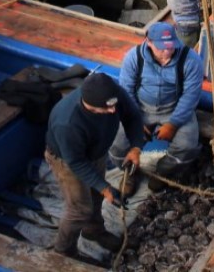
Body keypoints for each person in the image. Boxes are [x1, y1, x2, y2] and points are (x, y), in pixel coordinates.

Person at [45, 71, 145, 258]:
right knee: (79, 210)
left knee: (96, 197)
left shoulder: (112, 96)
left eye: (114, 106)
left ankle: (94, 231)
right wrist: (103, 186)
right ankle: (62, 252)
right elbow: (75, 162)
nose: (113, 112)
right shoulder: (67, 123)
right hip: (68, 161)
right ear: (89, 105)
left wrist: (136, 146)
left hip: (96, 153)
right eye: (106, 110)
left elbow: (132, 116)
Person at [109, 22, 204, 194]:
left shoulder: (191, 60)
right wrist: (135, 121)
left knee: (187, 146)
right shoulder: (133, 57)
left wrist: (173, 124)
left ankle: (162, 172)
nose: (167, 52)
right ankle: (130, 172)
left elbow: (191, 96)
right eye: (162, 48)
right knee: (117, 145)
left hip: (175, 108)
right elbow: (126, 92)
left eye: (171, 47)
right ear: (149, 42)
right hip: (139, 108)